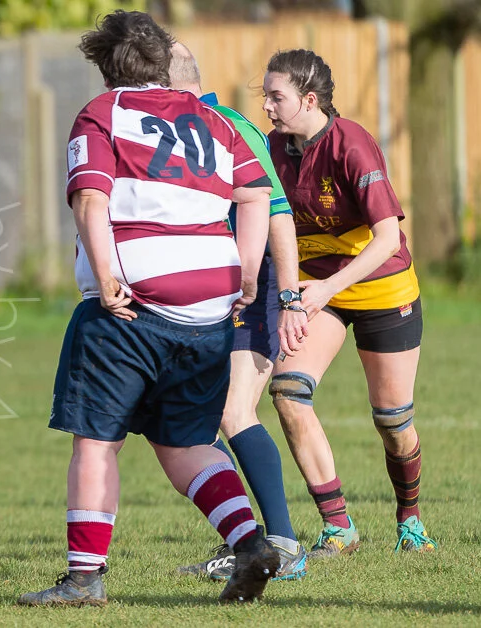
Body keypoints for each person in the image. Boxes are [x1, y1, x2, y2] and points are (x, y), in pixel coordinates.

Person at [18, 11, 278, 607]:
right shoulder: (215, 120)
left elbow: (90, 197)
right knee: (186, 443)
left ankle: (84, 579)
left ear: (106, 68)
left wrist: (107, 274)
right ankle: (249, 543)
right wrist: (243, 270)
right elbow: (256, 192)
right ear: (163, 61)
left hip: (132, 308)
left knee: (96, 441)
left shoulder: (102, 113)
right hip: (210, 307)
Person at [262, 49, 433, 556]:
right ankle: (339, 526)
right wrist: (292, 296)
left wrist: (322, 291)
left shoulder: (351, 143)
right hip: (317, 289)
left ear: (309, 99)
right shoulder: (273, 148)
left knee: (392, 420)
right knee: (288, 392)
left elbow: (385, 237)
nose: (268, 106)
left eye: (277, 96)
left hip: (383, 287)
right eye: (266, 96)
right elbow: (275, 226)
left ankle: (410, 517)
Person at [166, 42, 311, 581]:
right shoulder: (168, 130)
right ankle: (251, 544)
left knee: (231, 411)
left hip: (253, 286)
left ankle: (280, 548)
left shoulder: (225, 125)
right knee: (197, 423)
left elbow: (277, 215)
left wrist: (289, 298)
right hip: (207, 291)